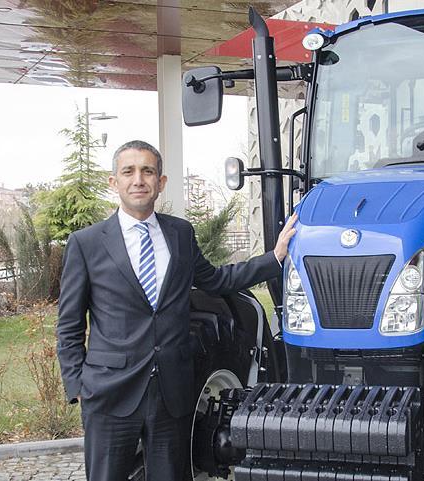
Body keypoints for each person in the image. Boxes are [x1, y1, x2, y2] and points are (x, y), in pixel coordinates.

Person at [56, 140, 297, 481]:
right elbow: (69, 324)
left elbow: (216, 280)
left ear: (161, 182)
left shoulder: (180, 234)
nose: (138, 179)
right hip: (110, 394)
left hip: (172, 394)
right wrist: (77, 384)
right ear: (114, 182)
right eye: (128, 171)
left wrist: (274, 258)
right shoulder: (86, 243)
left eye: (147, 171)